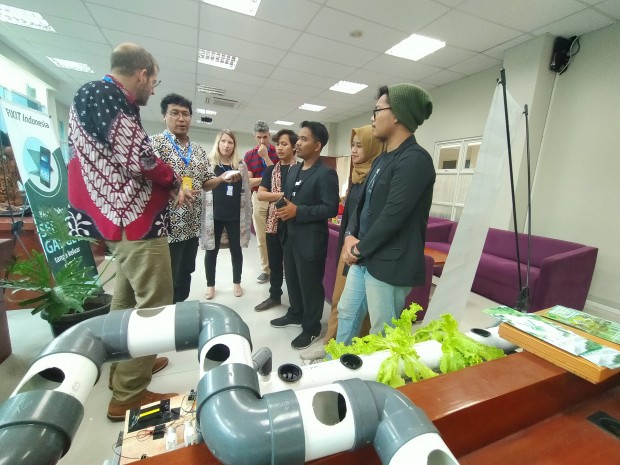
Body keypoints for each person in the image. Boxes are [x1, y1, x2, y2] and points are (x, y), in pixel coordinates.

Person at [66, 43, 184, 421]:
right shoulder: (106, 95)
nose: (152, 89)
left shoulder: (95, 96)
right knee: (155, 304)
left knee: (126, 299)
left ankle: (123, 369)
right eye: (154, 81)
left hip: (119, 222)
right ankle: (130, 393)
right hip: (132, 220)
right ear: (142, 74)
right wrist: (173, 180)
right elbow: (139, 158)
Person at [336, 84, 435, 346]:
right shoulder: (381, 159)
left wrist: (358, 248)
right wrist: (349, 235)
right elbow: (361, 204)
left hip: (390, 261)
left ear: (397, 114)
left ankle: (381, 373)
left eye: (377, 110)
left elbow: (394, 215)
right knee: (346, 313)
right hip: (364, 255)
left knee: (383, 330)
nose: (372, 117)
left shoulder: (415, 160)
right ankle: (337, 361)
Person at [300, 125, 382, 361]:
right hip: (348, 247)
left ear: (372, 148)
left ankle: (346, 350)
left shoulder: (375, 178)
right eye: (352, 145)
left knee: (355, 308)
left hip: (362, 252)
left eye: (359, 146)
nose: (354, 151)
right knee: (339, 302)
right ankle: (331, 346)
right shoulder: (357, 176)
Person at [270, 121, 339, 350]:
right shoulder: (294, 170)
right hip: (290, 236)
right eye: (298, 138)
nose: (297, 143)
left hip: (311, 240)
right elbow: (290, 198)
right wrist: (283, 209)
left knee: (310, 285)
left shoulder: (326, 174)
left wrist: (298, 211)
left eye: (304, 139)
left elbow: (330, 208)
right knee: (292, 279)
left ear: (317, 145)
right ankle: (296, 313)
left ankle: (311, 328)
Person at [151, 93, 214, 303]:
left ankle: (179, 310)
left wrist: (223, 179)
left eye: (185, 114)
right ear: (164, 116)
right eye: (175, 113)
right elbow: (148, 179)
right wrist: (174, 189)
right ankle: (166, 314)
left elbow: (206, 181)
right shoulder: (155, 144)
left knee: (185, 272)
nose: (181, 119)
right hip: (166, 227)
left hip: (191, 224)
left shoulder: (198, 150)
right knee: (167, 277)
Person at [200, 130, 251, 300]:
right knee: (211, 251)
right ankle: (210, 285)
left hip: (235, 215)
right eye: (223, 141)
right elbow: (203, 187)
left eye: (230, 142)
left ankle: (237, 282)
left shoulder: (240, 165)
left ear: (234, 146)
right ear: (218, 143)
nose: (226, 145)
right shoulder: (209, 163)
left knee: (236, 250)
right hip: (214, 215)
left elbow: (246, 190)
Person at [254, 129, 299, 311]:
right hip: (273, 222)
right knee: (274, 262)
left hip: (294, 223)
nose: (279, 148)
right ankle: (274, 296)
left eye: (284, 144)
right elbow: (261, 195)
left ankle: (296, 303)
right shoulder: (271, 170)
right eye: (278, 144)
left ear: (294, 147)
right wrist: (284, 194)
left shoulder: (301, 169)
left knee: (292, 265)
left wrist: (274, 195)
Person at [244, 120, 279, 284]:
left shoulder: (277, 152)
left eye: (265, 137)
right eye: (259, 137)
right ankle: (266, 269)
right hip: (258, 198)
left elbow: (279, 177)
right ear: (254, 136)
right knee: (262, 237)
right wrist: (267, 178)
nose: (262, 141)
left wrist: (265, 156)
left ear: (269, 135)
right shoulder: (249, 155)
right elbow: (248, 182)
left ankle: (280, 267)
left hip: (276, 197)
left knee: (277, 234)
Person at [0, 131, 23, 209]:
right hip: (3, 210)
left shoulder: (11, 159)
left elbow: (22, 179)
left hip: (18, 206)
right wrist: (4, 206)